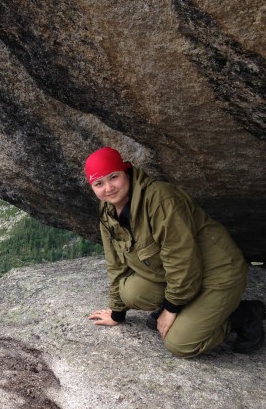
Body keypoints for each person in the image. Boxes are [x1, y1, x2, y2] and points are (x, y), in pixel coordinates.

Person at [85, 146, 265, 358]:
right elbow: (115, 263)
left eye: (113, 177)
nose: (109, 188)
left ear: (126, 172)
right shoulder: (107, 211)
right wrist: (117, 313)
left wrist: (171, 309)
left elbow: (182, 259)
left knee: (180, 344)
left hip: (218, 273)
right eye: (99, 183)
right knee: (131, 293)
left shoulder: (161, 200)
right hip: (183, 276)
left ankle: (244, 315)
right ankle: (188, 307)